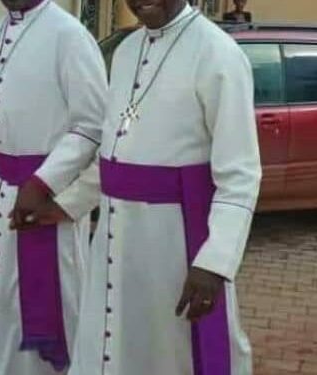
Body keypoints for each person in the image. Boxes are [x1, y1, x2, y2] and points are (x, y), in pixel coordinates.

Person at [26, 0, 262, 374]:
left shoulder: (219, 54)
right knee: (110, 339)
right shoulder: (126, 51)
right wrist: (67, 204)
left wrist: (215, 263)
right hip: (114, 238)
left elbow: (241, 175)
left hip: (174, 243)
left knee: (168, 351)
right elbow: (114, 157)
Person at [0, 0, 108, 374]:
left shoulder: (70, 36)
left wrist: (41, 182)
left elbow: (92, 126)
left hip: (46, 202)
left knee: (44, 308)